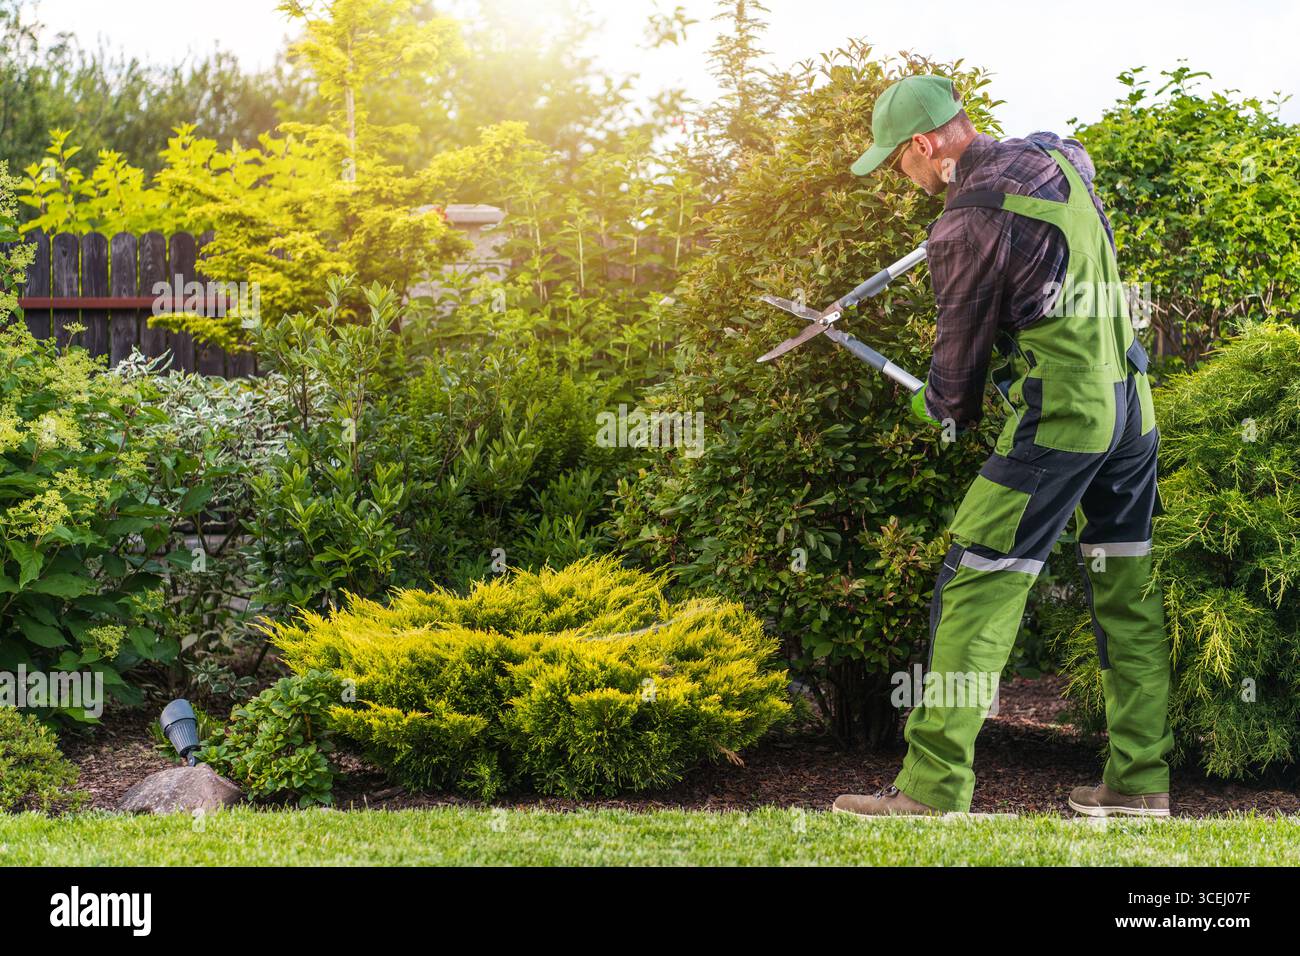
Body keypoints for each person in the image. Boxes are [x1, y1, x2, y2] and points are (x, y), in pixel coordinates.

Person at [830, 75, 1174, 818]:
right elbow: (1049, 210)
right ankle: (1140, 782)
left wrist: (925, 400)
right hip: (1132, 408)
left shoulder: (958, 231)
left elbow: (955, 393)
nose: (902, 174)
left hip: (1065, 416)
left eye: (898, 159)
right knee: (1126, 587)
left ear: (925, 145)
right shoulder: (1059, 155)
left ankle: (931, 787)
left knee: (976, 578)